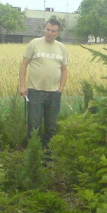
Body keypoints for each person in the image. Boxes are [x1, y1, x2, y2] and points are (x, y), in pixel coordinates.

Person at [18, 17, 69, 149]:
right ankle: (33, 156)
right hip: (35, 92)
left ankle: (48, 156)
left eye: (53, 31)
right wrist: (22, 85)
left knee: (51, 127)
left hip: (54, 94)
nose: (49, 33)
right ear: (44, 29)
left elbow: (64, 70)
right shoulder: (34, 43)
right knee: (34, 126)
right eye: (47, 29)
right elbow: (23, 65)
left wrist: (60, 89)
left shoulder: (61, 48)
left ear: (58, 33)